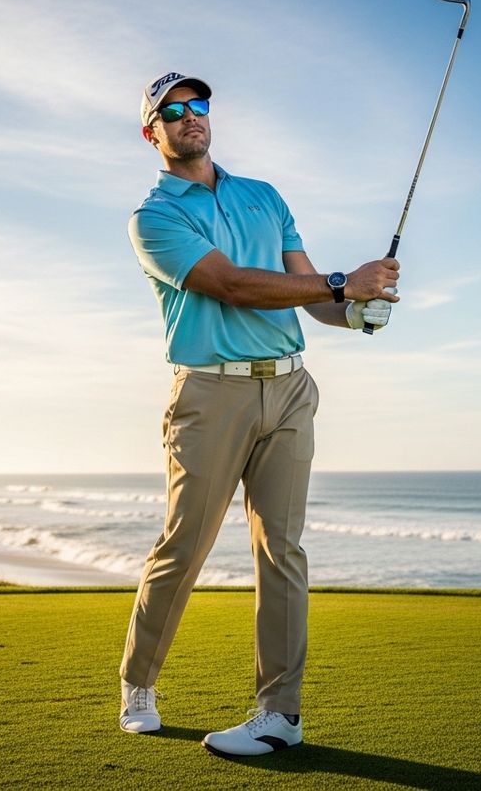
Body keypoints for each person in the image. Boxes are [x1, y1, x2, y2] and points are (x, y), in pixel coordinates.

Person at [118, 71, 400, 758]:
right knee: (184, 545)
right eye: (175, 110)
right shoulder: (154, 217)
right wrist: (340, 280)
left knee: (284, 551)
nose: (192, 116)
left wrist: (359, 310)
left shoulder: (264, 197)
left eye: (199, 105)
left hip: (291, 390)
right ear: (152, 131)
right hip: (211, 395)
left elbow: (310, 300)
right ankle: (138, 684)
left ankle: (279, 713)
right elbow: (234, 285)